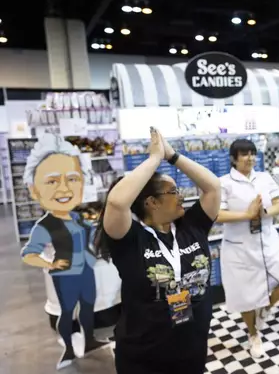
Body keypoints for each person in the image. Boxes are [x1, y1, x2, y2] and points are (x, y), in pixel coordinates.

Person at [95, 127, 221, 374]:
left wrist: (172, 156)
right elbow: (117, 202)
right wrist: (153, 159)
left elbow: (213, 187)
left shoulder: (191, 226)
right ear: (151, 202)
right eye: (173, 192)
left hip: (192, 348)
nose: (181, 196)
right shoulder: (130, 238)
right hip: (144, 357)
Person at [20, 133, 110, 370]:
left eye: (72, 179)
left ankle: (89, 340)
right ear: (34, 190)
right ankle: (69, 349)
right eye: (51, 181)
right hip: (66, 274)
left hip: (87, 271)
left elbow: (91, 236)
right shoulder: (45, 226)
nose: (64, 188)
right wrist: (49, 265)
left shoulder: (79, 217)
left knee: (88, 307)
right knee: (68, 312)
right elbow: (28, 253)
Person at [216, 138, 279, 358]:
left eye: (252, 153)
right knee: (245, 295)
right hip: (239, 248)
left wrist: (265, 212)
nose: (250, 158)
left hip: (268, 242)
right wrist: (246, 214)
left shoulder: (265, 178)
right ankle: (253, 333)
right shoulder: (224, 183)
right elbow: (217, 215)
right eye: (244, 154)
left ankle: (266, 308)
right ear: (234, 158)